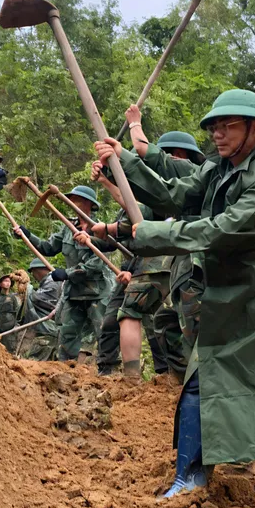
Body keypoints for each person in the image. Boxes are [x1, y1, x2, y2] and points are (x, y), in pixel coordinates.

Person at [92, 89, 255, 508]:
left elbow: (218, 230)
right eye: (214, 127)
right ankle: (190, 476)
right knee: (203, 373)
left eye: (228, 126)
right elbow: (174, 193)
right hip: (232, 288)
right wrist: (123, 160)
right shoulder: (221, 167)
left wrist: (144, 234)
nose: (218, 134)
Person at [124, 106, 207, 379]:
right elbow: (138, 204)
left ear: (180, 155)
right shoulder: (179, 183)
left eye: (169, 153)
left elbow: (144, 153)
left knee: (196, 330)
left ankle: (198, 383)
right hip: (180, 265)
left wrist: (135, 123)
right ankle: (183, 379)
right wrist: (110, 174)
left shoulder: (189, 170)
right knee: (168, 321)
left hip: (197, 263)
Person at [84, 161, 174, 380]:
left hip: (158, 265)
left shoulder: (162, 196)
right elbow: (126, 216)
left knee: (135, 314)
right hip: (152, 266)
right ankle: (171, 376)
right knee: (162, 318)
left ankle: (136, 378)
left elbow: (132, 207)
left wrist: (106, 228)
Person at [13, 186, 115, 361]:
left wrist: (67, 273)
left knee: (103, 333)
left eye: (76, 200)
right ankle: (66, 369)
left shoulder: (99, 229)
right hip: (74, 293)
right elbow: (49, 248)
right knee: (67, 333)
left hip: (97, 293)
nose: (72, 203)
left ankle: (109, 370)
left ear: (89, 204)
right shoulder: (68, 228)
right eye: (71, 199)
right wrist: (27, 235)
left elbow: (96, 264)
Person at [13, 257, 63, 360]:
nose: (33, 276)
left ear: (38, 270)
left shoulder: (52, 280)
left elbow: (41, 300)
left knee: (36, 362)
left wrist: (27, 287)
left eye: (33, 272)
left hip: (47, 329)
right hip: (45, 330)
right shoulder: (48, 281)